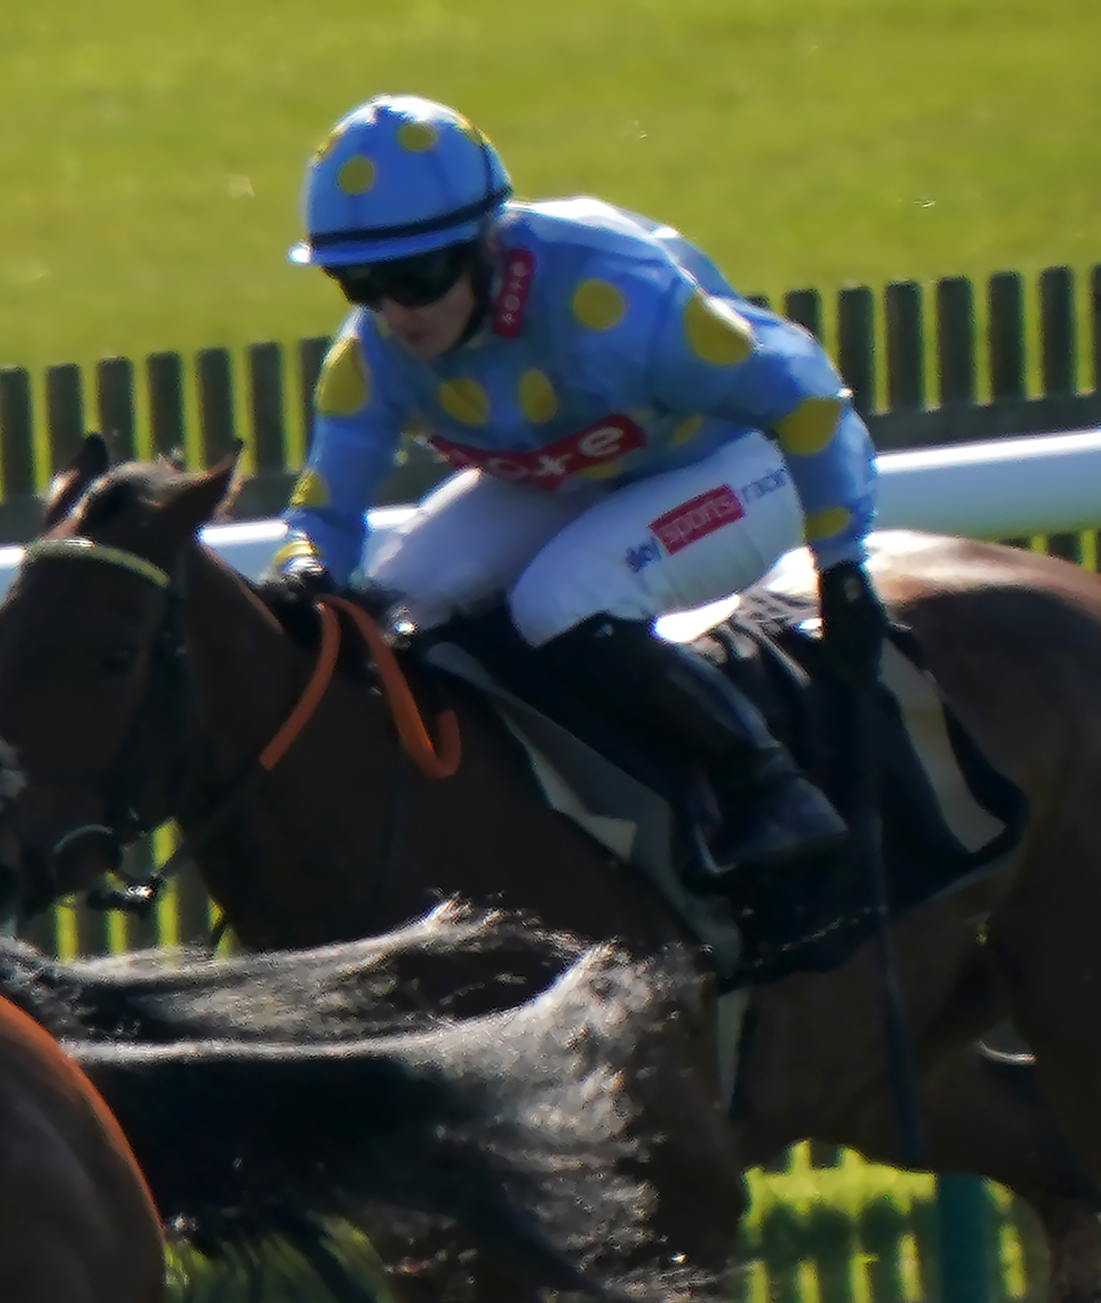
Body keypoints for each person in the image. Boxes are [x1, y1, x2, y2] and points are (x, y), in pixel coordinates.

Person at [272, 96, 882, 885]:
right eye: (356, 285)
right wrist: (302, 569)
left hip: (736, 463)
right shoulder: (369, 359)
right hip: (573, 476)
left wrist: (841, 562)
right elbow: (322, 512)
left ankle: (767, 784)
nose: (391, 313)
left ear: (484, 245)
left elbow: (801, 392)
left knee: (560, 603)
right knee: (397, 604)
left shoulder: (617, 302)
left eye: (414, 277)